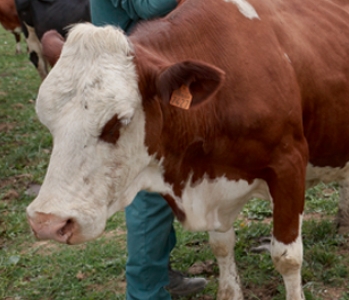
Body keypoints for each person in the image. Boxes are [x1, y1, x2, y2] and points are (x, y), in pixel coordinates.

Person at [89, 0, 208, 299]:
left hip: (141, 74)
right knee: (149, 190)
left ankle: (160, 272)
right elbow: (148, 7)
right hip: (130, 82)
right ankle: (146, 292)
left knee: (161, 180)